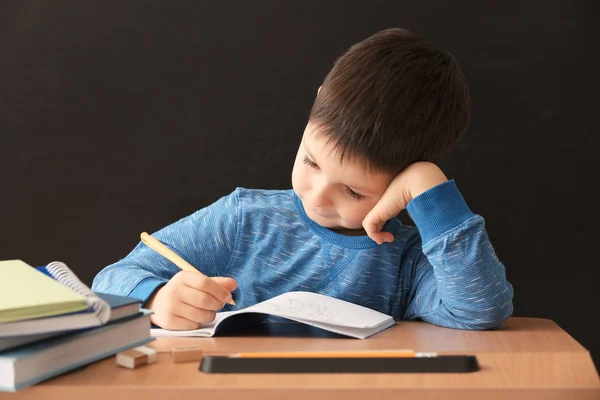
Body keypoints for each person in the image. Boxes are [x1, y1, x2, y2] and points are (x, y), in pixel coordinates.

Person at [92, 28, 513, 331]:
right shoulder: (245, 219)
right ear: (313, 108)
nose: (318, 196)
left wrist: (430, 189)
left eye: (353, 191)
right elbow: (112, 278)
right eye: (311, 162)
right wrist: (157, 298)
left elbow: (480, 311)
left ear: (402, 186)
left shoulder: (406, 259)